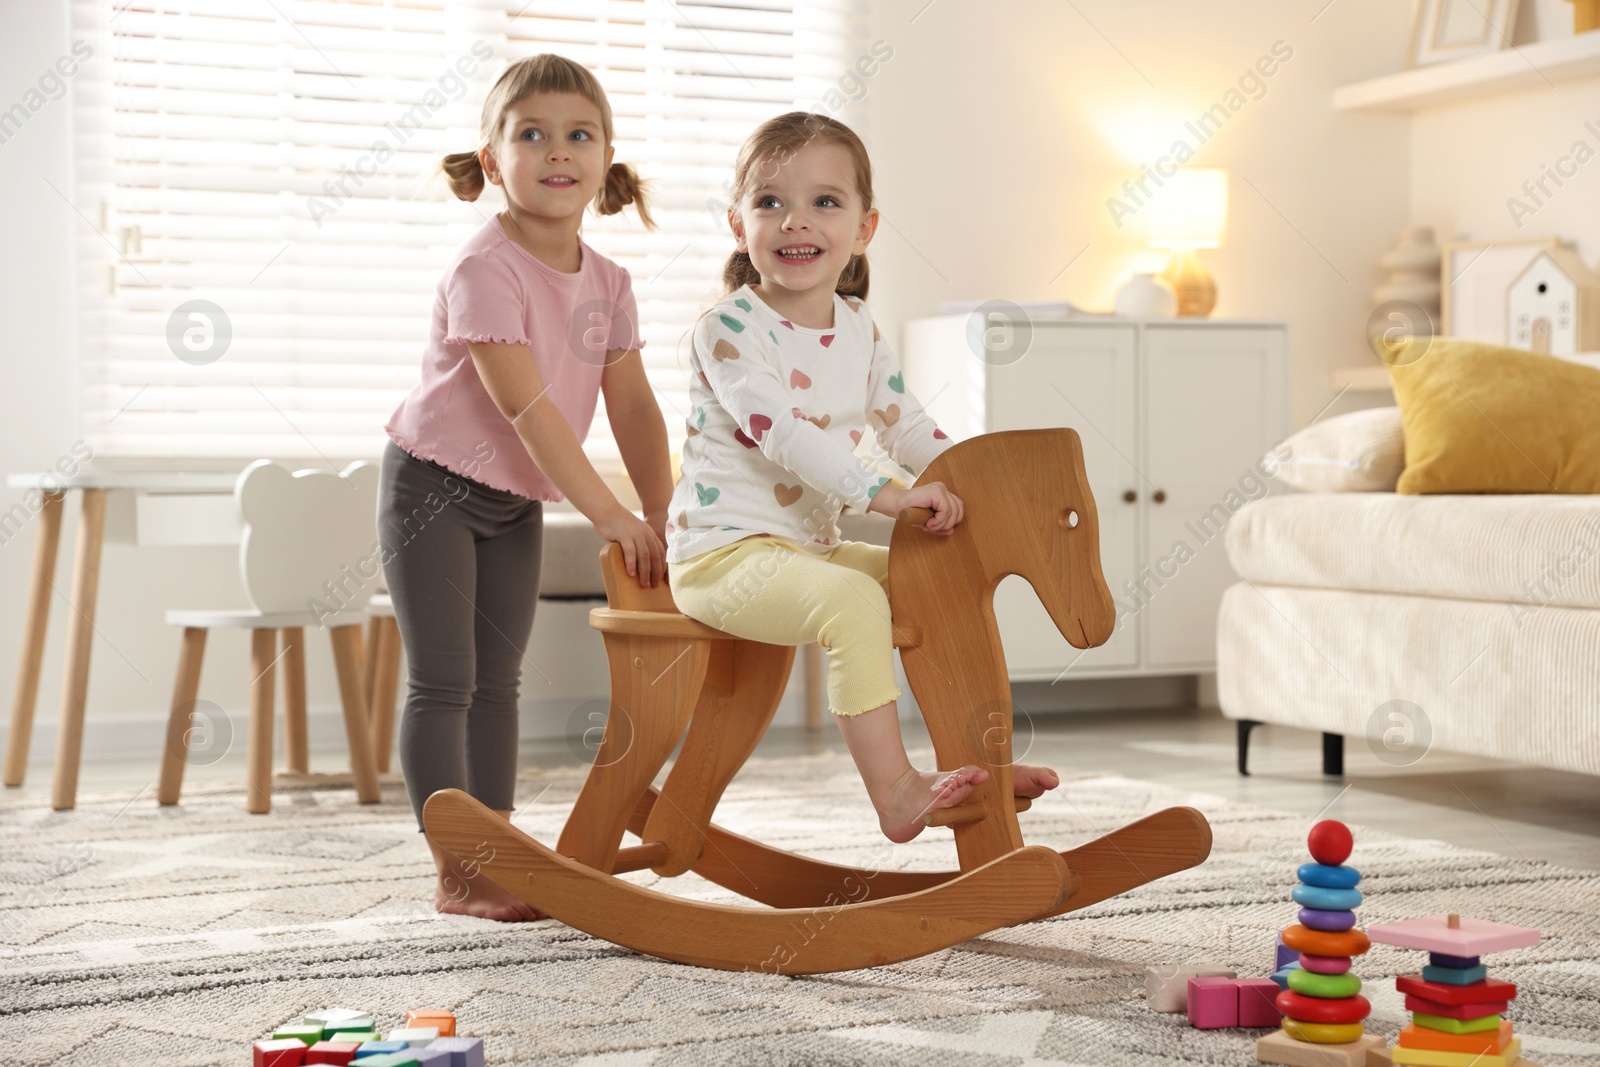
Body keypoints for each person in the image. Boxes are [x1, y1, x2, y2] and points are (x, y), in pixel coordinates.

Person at [664, 112, 1060, 844]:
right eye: (770, 202)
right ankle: (898, 791)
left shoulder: (857, 326)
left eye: (825, 201)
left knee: (938, 575)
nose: (795, 221)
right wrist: (891, 498)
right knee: (851, 598)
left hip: (804, 549)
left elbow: (906, 424)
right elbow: (781, 432)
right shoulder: (728, 328)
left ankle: (968, 763)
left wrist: (974, 481)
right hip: (723, 556)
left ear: (864, 226)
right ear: (737, 222)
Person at [379, 55, 671, 921]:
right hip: (432, 486)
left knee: (500, 679)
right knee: (445, 678)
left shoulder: (610, 282)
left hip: (513, 501)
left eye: (579, 134)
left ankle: (495, 849)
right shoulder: (485, 267)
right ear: (492, 159)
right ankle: (458, 869)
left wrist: (660, 511)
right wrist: (609, 513)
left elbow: (635, 406)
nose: (557, 151)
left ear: (607, 157)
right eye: (531, 133)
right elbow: (529, 407)